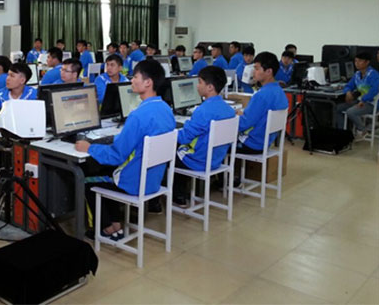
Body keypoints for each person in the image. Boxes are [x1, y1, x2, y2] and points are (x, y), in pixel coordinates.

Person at [74, 59, 175, 240]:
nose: (131, 81)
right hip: (153, 180)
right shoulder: (165, 109)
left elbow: (116, 156)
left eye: (135, 77)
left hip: (134, 182)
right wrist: (116, 139)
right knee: (108, 172)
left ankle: (105, 228)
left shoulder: (137, 115)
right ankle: (116, 224)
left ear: (148, 82)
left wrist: (90, 147)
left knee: (87, 179)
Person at [174, 66, 235, 206]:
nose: (197, 86)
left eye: (200, 82)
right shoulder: (229, 110)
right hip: (216, 159)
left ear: (210, 87)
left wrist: (171, 131)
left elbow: (184, 138)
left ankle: (177, 195)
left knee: (165, 152)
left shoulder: (203, 111)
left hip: (198, 161)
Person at [237, 51, 289, 154]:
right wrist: (244, 114)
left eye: (256, 68)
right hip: (265, 141)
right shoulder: (279, 91)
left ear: (269, 71)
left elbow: (244, 124)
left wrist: (231, 117)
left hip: (251, 143)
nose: (253, 72)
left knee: (215, 142)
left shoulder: (261, 95)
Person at [336, 52, 379, 141]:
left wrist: (363, 100)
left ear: (367, 62)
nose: (357, 63)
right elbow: (349, 85)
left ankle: (362, 130)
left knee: (351, 112)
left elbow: (374, 91)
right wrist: (347, 92)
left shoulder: (374, 75)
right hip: (361, 101)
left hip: (372, 103)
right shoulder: (357, 74)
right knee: (338, 108)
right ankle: (341, 132)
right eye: (355, 61)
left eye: (360, 61)